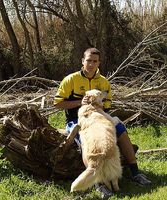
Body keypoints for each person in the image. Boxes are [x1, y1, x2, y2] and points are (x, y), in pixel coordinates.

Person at [54, 47, 151, 198]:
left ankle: (135, 172)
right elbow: (58, 104)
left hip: (99, 117)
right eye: (88, 61)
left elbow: (106, 107)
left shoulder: (104, 82)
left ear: (99, 62)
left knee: (121, 129)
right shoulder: (70, 79)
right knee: (87, 141)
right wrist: (81, 102)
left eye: (95, 61)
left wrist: (98, 110)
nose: (91, 64)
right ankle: (99, 185)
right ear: (82, 61)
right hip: (78, 120)